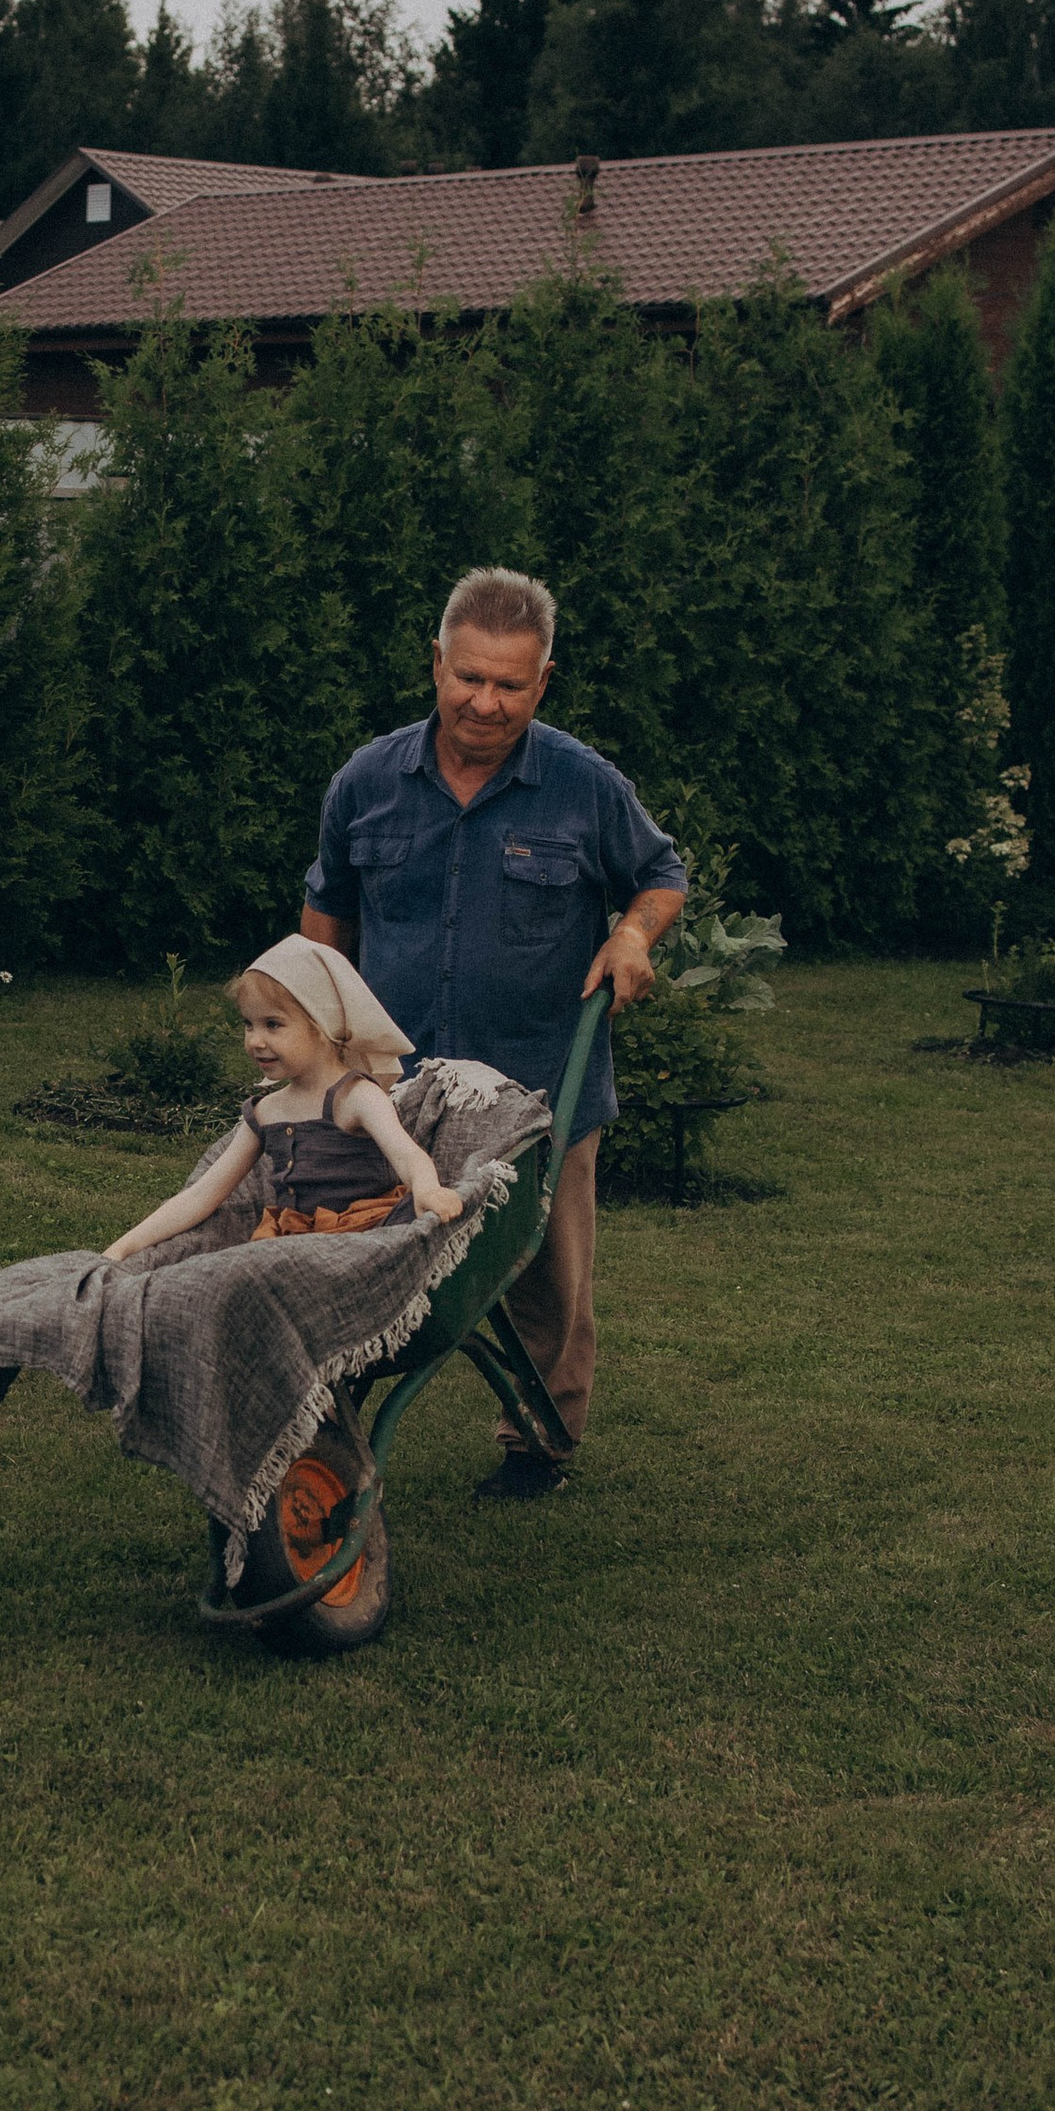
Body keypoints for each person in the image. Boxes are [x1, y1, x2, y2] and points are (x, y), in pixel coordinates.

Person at [300, 566, 685, 1502]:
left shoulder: (583, 785)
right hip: (395, 1090)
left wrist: (633, 932)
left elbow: (660, 870)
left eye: (510, 684)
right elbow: (327, 911)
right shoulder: (369, 780)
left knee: (546, 1278)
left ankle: (537, 1440)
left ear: (543, 681)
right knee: (341, 1249)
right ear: (436, 663)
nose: (485, 700)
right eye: (469, 677)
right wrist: (317, 1040)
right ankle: (319, 1415)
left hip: (539, 1093)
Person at [102, 936, 464, 1264]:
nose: (255, 1040)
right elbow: (203, 1195)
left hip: (361, 1238)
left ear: (322, 1025)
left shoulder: (356, 1096)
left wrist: (428, 1188)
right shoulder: (266, 1111)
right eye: (248, 1024)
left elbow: (407, 1154)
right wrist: (124, 1247)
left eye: (272, 1024)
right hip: (292, 1246)